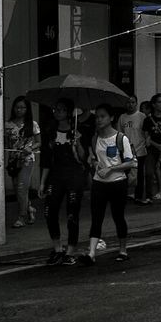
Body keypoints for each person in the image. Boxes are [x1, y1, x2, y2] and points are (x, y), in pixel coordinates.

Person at [82, 104, 137, 265]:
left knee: (118, 216)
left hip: (118, 183)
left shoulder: (121, 138)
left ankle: (123, 249)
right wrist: (92, 161)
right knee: (96, 217)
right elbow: (94, 158)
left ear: (111, 118)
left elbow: (131, 162)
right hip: (99, 183)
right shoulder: (95, 138)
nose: (99, 120)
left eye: (102, 116)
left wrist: (111, 169)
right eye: (97, 116)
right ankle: (91, 252)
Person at [41, 99, 88, 265]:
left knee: (71, 214)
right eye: (56, 109)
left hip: (74, 175)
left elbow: (84, 158)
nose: (57, 112)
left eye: (61, 109)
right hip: (56, 175)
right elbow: (46, 159)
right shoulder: (50, 131)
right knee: (49, 211)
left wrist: (78, 142)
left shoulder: (78, 130)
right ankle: (57, 248)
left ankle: (70, 251)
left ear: (69, 112)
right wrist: (42, 183)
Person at [4, 96, 41, 228]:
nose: (20, 110)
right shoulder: (8, 125)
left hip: (27, 159)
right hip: (13, 160)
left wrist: (30, 148)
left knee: (21, 188)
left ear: (27, 109)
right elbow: (5, 143)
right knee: (17, 189)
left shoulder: (32, 124)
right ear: (14, 108)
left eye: (23, 107)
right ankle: (30, 208)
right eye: (18, 107)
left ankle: (21, 217)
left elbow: (39, 142)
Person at [141, 94, 161, 204]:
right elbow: (146, 136)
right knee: (149, 172)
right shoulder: (148, 120)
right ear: (154, 104)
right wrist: (157, 145)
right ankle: (149, 196)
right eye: (160, 102)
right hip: (152, 149)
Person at [117, 96, 147, 202]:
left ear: (136, 103)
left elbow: (145, 133)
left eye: (133, 102)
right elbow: (119, 133)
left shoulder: (142, 116)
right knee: (125, 173)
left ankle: (138, 195)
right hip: (126, 150)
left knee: (139, 174)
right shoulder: (122, 117)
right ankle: (123, 194)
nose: (130, 104)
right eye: (128, 102)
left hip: (140, 149)